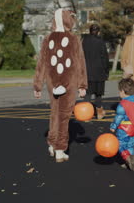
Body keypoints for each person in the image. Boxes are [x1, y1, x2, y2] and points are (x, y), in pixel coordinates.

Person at [33, 8, 87, 163]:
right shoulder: (74, 39)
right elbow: (80, 63)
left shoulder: (48, 38)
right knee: (64, 115)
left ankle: (52, 142)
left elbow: (41, 63)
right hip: (68, 80)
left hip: (52, 80)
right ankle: (60, 148)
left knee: (54, 112)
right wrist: (82, 85)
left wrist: (38, 85)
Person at [110, 78, 134, 171]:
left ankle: (127, 158)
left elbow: (119, 117)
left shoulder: (122, 104)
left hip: (124, 128)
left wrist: (113, 126)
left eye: (119, 91)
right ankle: (132, 159)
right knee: (130, 145)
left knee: (120, 145)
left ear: (122, 91)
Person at [82, 23, 109, 119]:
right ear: (98, 31)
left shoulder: (84, 41)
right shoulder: (100, 42)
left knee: (88, 95)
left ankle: (85, 113)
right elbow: (105, 58)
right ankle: (99, 113)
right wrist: (106, 71)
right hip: (99, 72)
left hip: (87, 72)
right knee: (98, 95)